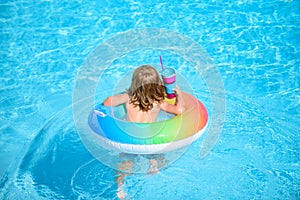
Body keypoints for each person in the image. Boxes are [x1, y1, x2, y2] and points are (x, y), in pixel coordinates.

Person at [103, 65, 185, 199]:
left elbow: (107, 102)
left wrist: (124, 95)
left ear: (134, 82)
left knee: (126, 162)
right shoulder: (158, 101)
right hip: (150, 139)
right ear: (157, 83)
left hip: (131, 138)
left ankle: (120, 187)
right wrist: (179, 95)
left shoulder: (128, 97)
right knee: (156, 154)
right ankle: (154, 166)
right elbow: (179, 110)